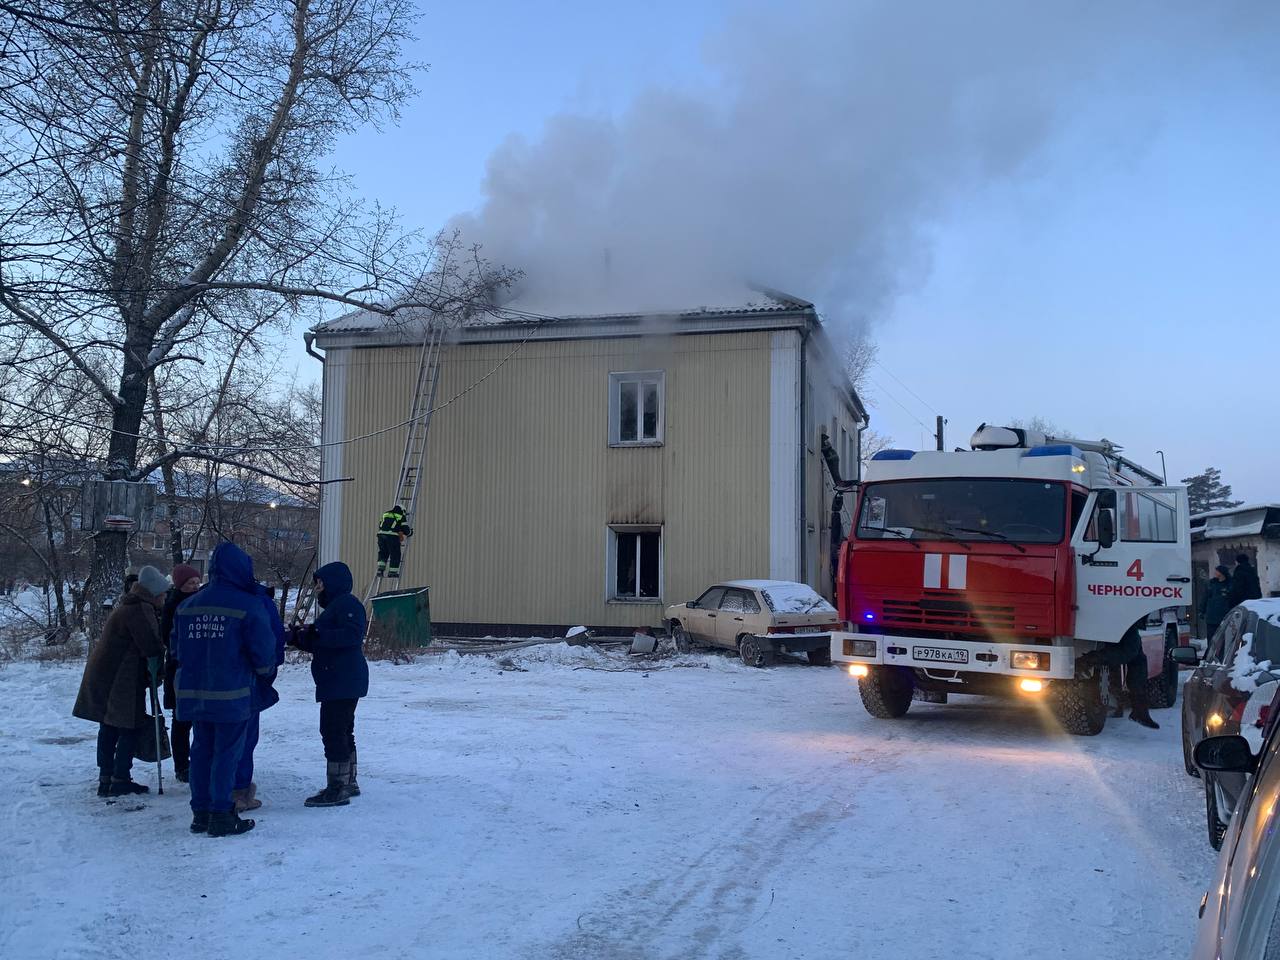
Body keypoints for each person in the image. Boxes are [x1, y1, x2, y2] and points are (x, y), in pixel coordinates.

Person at [172, 543, 277, 837]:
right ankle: (221, 813)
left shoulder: (188, 605)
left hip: (194, 693)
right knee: (227, 754)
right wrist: (263, 675)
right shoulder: (248, 605)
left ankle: (200, 812)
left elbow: (176, 649)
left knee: (201, 750)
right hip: (232, 693)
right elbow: (264, 652)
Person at [73, 566, 169, 796]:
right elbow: (152, 646)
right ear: (154, 593)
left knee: (109, 726)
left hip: (107, 675)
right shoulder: (139, 609)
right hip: (121, 679)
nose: (165, 598)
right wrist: (159, 670)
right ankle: (120, 779)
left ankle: (106, 777)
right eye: (164, 594)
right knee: (128, 726)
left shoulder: (129, 605)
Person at [289, 561, 368, 808]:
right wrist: (300, 638)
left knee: (333, 731)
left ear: (332, 582)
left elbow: (351, 635)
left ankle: (337, 787)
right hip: (338, 678)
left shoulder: (347, 604)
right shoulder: (337, 606)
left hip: (342, 679)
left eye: (320, 583)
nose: (317, 588)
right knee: (343, 730)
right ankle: (348, 781)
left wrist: (317, 635)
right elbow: (321, 640)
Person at [232, 582, 287, 813]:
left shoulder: (201, 599)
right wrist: (268, 670)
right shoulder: (258, 602)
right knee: (243, 737)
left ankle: (209, 792)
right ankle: (238, 792)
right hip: (246, 682)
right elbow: (272, 640)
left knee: (209, 739)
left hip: (202, 682)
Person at [161, 563, 202, 782]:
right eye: (190, 584)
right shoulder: (173, 605)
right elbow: (167, 637)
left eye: (197, 582)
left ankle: (196, 760)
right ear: (180, 585)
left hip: (196, 670)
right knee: (181, 720)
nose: (195, 587)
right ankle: (181, 765)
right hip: (178, 669)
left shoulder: (200, 601)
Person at [1095, 617, 1160, 730]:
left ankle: (1138, 711)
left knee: (1137, 659)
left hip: (1126, 618)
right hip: (1119, 616)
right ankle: (1087, 660)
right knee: (1129, 652)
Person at [375, 505, 413, 579]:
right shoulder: (400, 516)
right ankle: (393, 572)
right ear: (403, 511)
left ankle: (380, 569)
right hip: (392, 537)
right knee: (395, 554)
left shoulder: (385, 514)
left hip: (381, 536)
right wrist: (410, 533)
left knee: (383, 552)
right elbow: (406, 530)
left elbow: (383, 525)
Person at [1200, 565, 1234, 643]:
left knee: (1224, 639)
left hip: (1225, 617)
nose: (1215, 572)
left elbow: (1233, 599)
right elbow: (1205, 598)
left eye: (1217, 571)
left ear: (1222, 573)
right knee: (1211, 639)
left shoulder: (1230, 584)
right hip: (1212, 617)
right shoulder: (1211, 584)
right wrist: (1201, 611)